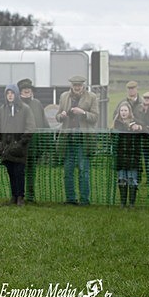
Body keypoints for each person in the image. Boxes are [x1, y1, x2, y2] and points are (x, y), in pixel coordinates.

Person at [56, 75, 99, 206]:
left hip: (83, 140)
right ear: (71, 86)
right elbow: (57, 117)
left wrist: (83, 113)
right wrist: (61, 116)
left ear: (83, 86)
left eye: (79, 85)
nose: (77, 87)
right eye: (75, 85)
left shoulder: (91, 97)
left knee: (83, 170)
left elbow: (95, 117)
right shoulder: (64, 97)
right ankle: (70, 199)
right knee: (68, 170)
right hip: (67, 139)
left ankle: (84, 200)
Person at [0, 84, 35, 206]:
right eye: (8, 93)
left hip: (19, 148)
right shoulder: (2, 109)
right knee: (11, 173)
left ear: (16, 94)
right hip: (6, 149)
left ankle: (20, 197)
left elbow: (30, 127)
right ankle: (13, 196)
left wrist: (21, 142)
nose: (10, 95)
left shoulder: (25, 109)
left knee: (19, 173)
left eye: (12, 93)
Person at [17, 78, 48, 203]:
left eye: (28, 90)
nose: (27, 92)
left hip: (34, 143)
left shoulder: (37, 104)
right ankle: (19, 195)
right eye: (24, 90)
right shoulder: (16, 105)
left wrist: (47, 139)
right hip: (20, 143)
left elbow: (44, 122)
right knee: (19, 170)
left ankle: (30, 195)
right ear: (20, 92)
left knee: (31, 169)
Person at [112, 101, 145, 207]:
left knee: (132, 179)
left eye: (125, 110)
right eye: (121, 110)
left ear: (129, 111)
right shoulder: (116, 124)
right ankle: (122, 202)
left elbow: (148, 131)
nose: (123, 112)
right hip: (121, 155)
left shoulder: (136, 122)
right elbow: (112, 137)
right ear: (119, 112)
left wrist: (139, 128)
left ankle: (131, 203)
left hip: (133, 155)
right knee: (122, 179)